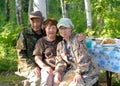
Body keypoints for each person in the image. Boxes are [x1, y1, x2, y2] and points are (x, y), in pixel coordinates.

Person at [54, 18, 100, 86]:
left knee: (75, 84)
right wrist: (58, 72)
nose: (63, 31)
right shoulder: (60, 45)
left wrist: (79, 73)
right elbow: (60, 61)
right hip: (73, 70)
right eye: (61, 28)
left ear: (70, 29)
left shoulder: (78, 39)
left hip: (88, 71)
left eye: (65, 28)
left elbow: (84, 59)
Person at [16, 11, 44, 86]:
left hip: (42, 65)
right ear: (30, 21)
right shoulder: (24, 34)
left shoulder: (45, 34)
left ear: (42, 21)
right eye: (33, 21)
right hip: (27, 66)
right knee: (37, 80)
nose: (35, 24)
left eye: (38, 21)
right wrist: (33, 67)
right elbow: (21, 55)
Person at [33, 18, 62, 86]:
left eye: (53, 28)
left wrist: (82, 36)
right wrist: (45, 67)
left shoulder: (61, 39)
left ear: (57, 29)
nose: (51, 30)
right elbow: (37, 58)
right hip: (47, 67)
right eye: (49, 28)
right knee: (46, 80)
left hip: (60, 67)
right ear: (45, 29)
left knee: (57, 82)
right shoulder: (41, 41)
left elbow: (71, 36)